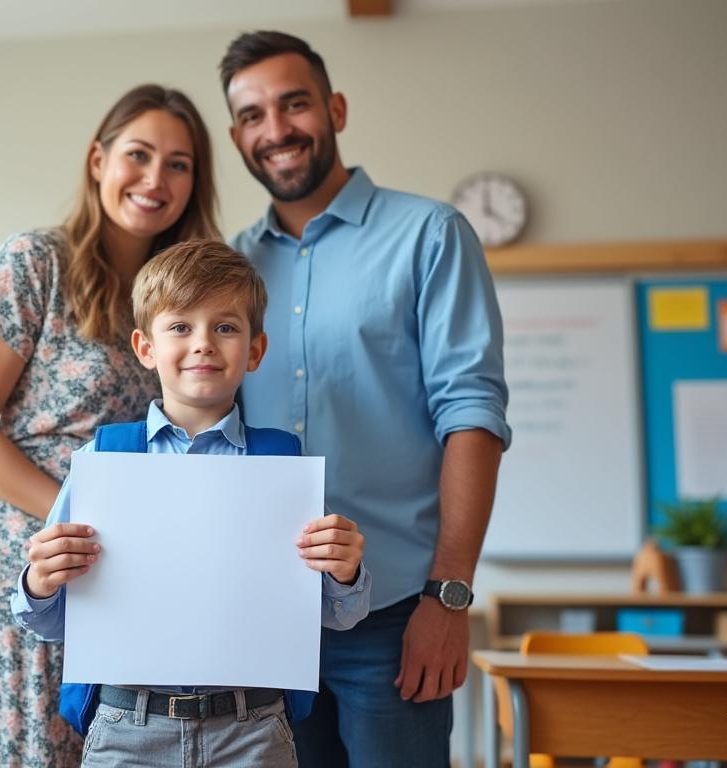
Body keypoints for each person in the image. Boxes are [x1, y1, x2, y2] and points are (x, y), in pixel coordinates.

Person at [219, 31, 512, 767]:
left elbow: (472, 416)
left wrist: (447, 598)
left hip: (393, 615)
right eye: (253, 115)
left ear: (335, 109)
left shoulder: (430, 235)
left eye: (295, 104)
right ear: (236, 136)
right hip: (262, 616)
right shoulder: (227, 268)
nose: (277, 130)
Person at [0, 84, 220, 767]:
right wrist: (76, 519)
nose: (156, 179)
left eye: (178, 164)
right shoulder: (36, 261)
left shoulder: (182, 295)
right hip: (20, 560)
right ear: (99, 160)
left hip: (121, 569)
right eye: (139, 155)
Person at [11, 239, 371, 767]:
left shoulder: (285, 464)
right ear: (145, 348)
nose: (203, 343)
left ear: (254, 350)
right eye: (180, 327)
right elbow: (45, 619)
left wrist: (344, 572)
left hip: (253, 730)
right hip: (126, 728)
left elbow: (339, 615)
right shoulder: (104, 458)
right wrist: (40, 581)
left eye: (225, 327)